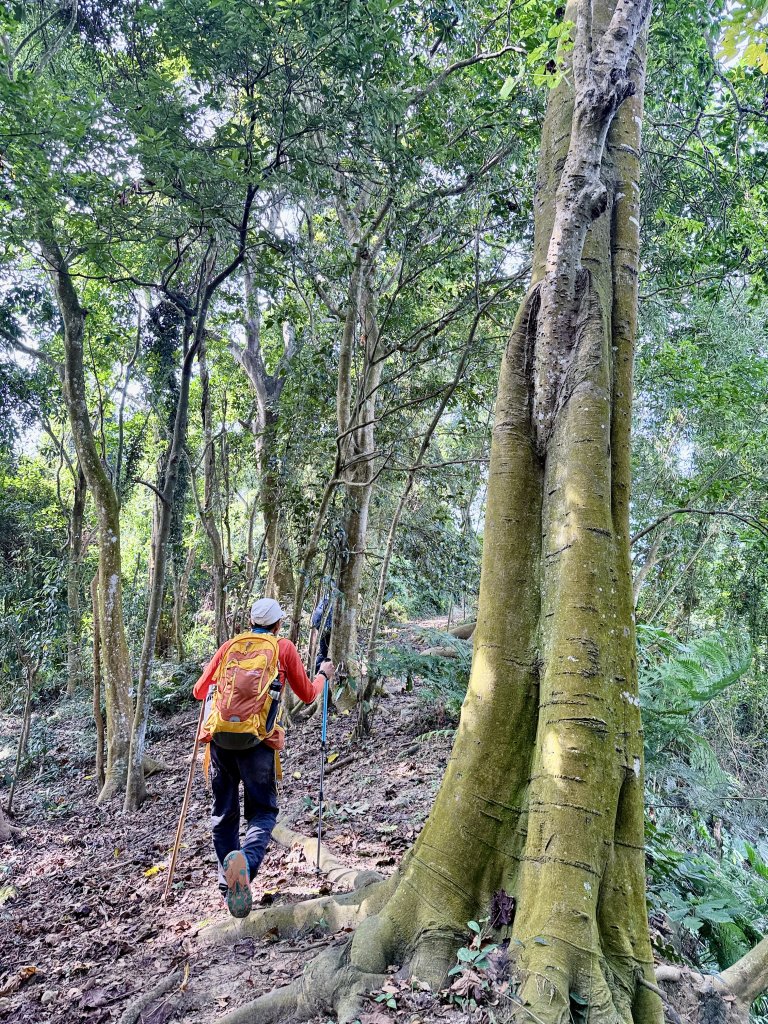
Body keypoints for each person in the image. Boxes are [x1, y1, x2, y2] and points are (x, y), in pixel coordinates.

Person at [193, 597, 335, 918]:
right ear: (278, 624)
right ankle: (245, 867)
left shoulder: (230, 646)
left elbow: (200, 691)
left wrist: (211, 675)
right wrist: (323, 674)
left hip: (219, 743)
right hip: (257, 744)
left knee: (223, 814)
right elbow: (309, 695)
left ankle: (229, 883)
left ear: (251, 621)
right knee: (263, 812)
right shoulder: (282, 648)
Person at [309, 591, 333, 673]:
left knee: (323, 652)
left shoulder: (328, 593)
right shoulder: (335, 597)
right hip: (326, 627)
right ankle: (317, 672)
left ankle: (314, 671)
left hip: (321, 624)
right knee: (325, 652)